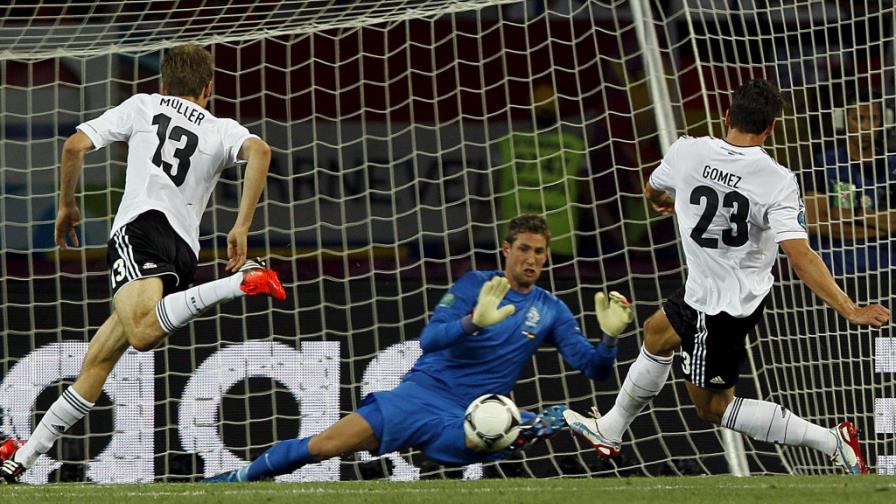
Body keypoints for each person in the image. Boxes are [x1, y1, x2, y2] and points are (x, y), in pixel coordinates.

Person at [563, 79, 890, 475]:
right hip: (715, 291)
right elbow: (799, 254)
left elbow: (651, 192)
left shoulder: (688, 150)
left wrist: (671, 201)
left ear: (727, 116)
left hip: (721, 308)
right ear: (770, 128)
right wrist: (848, 306)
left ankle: (832, 441)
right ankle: (610, 430)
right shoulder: (778, 180)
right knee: (656, 332)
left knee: (713, 408)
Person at [0, 44, 287, 484]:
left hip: (140, 230)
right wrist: (241, 226)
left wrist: (66, 207)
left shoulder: (143, 106)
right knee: (97, 362)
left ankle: (240, 283)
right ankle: (23, 458)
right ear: (208, 88)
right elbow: (262, 152)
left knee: (142, 333)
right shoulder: (219, 127)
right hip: (182, 251)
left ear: (162, 83)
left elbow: (75, 146)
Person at [204, 214, 634, 482]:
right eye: (524, 249)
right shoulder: (474, 286)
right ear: (507, 249)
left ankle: (527, 429)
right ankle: (237, 478)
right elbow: (428, 340)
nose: (533, 259)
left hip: (473, 413)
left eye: (540, 252)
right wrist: (472, 322)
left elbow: (594, 370)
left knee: (497, 422)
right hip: (422, 395)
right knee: (322, 447)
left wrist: (610, 337)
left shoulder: (552, 310)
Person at [803, 88, 896, 275]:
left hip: (888, 270)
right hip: (837, 273)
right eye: (858, 119)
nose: (866, 128)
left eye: (873, 119)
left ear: (884, 121)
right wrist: (884, 227)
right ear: (843, 121)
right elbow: (815, 223)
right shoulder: (823, 163)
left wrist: (852, 214)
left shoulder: (893, 166)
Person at [496, 83, 586, 258]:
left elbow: (491, 199)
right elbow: (590, 201)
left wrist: (462, 241)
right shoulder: (574, 146)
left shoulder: (510, 144)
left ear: (530, 109)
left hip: (518, 245)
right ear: (557, 111)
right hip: (560, 242)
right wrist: (620, 240)